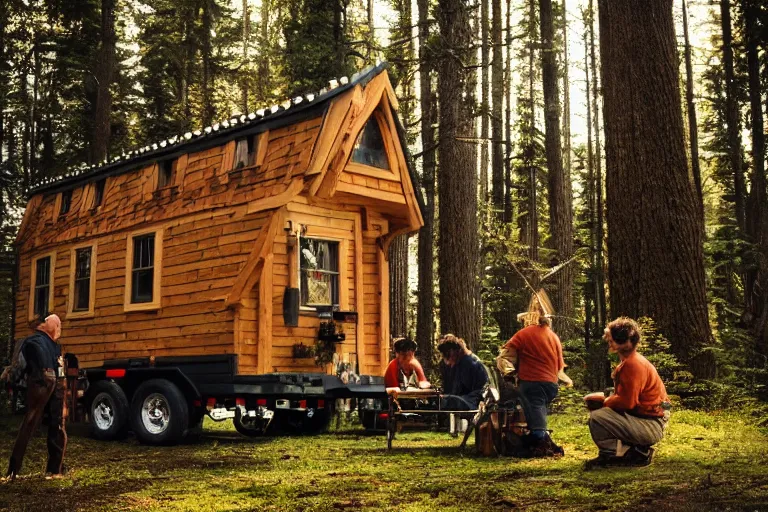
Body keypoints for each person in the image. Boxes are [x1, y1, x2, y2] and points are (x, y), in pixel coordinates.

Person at [585, 317, 671, 469]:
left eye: (611, 339)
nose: (608, 342)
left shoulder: (633, 364)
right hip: (650, 420)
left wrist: (604, 401)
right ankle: (632, 451)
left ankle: (618, 454)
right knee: (601, 410)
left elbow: (627, 403)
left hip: (651, 425)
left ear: (624, 342)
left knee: (597, 417)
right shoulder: (631, 361)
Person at [499, 293, 572, 457]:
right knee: (535, 410)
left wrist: (509, 373)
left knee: (536, 417)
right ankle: (537, 440)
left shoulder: (524, 334)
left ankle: (539, 442)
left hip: (532, 382)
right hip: (551, 385)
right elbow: (560, 366)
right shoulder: (554, 337)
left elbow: (504, 355)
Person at [2, 313, 68, 481]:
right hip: (58, 381)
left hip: (42, 378)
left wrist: (10, 380)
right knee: (57, 423)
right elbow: (60, 368)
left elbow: (19, 367)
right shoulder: (54, 345)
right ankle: (55, 470)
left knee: (29, 422)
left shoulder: (28, 342)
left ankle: (13, 471)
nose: (58, 330)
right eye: (57, 326)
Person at [437, 334, 489, 411]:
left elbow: (473, 391)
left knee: (446, 401)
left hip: (473, 400)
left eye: (448, 355)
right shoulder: (458, 362)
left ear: (454, 351)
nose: (448, 362)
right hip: (462, 398)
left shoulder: (470, 362)